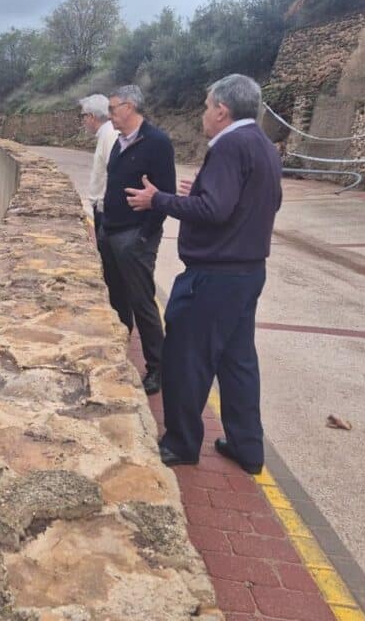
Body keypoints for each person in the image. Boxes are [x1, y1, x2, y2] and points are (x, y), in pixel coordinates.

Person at [125, 74, 282, 474]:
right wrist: (201, 192)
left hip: (214, 277)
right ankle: (248, 447)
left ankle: (180, 443)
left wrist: (158, 200)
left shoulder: (230, 145)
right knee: (238, 362)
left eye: (207, 106)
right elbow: (263, 201)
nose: (203, 113)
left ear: (222, 111)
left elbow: (215, 211)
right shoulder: (264, 145)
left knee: (184, 358)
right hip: (247, 274)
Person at [98, 85, 176, 395]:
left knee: (142, 301)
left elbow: (165, 195)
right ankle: (119, 353)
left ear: (130, 107)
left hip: (135, 237)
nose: (110, 114)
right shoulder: (119, 142)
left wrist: (144, 236)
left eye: (114, 108)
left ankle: (158, 368)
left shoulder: (156, 143)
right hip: (111, 232)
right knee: (117, 299)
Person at [79, 92, 120, 245]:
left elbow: (115, 172)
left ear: (91, 116)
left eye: (83, 116)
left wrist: (104, 205)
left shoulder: (110, 135)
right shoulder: (108, 133)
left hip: (106, 209)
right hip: (104, 208)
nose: (83, 120)